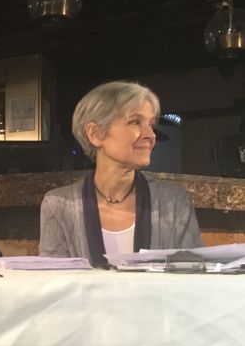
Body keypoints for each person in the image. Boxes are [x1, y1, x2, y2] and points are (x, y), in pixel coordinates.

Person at [39, 80, 202, 267]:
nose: (151, 135)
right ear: (95, 134)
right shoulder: (59, 205)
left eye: (151, 124)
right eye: (135, 122)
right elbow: (54, 285)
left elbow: (193, 278)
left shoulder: (174, 202)